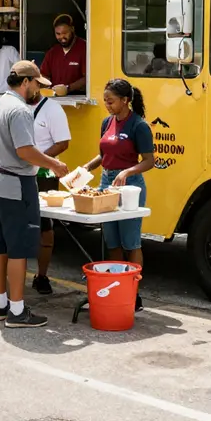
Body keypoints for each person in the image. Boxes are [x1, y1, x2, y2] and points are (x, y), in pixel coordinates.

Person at [0, 61, 68, 328]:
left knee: (0, 246)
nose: (37, 90)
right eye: (36, 84)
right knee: (18, 249)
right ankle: (18, 311)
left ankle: (0, 304)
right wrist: (54, 163)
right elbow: (25, 151)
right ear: (25, 82)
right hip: (17, 183)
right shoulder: (20, 110)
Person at [83, 78, 154, 311]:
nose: (107, 105)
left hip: (130, 186)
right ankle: (116, 285)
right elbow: (102, 155)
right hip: (107, 183)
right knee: (111, 239)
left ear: (125, 101)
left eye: (111, 101)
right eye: (105, 101)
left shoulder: (139, 126)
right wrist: (85, 168)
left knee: (131, 241)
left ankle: (135, 292)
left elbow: (149, 161)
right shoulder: (106, 122)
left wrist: (127, 171)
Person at [28, 89, 71, 295]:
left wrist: (40, 158)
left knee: (45, 225)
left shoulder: (52, 109)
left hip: (44, 174)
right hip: (17, 172)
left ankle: (42, 276)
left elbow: (63, 143)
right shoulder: (12, 106)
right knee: (19, 226)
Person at [40, 14, 87, 96]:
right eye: (58, 34)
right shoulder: (53, 52)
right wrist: (47, 85)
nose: (62, 37)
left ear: (72, 29)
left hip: (78, 99)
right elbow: (44, 74)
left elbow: (89, 78)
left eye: (65, 33)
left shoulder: (85, 48)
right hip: (55, 100)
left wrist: (68, 88)